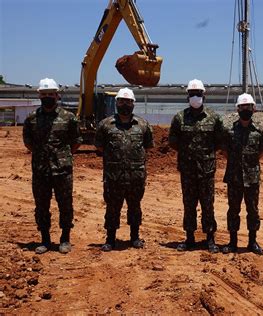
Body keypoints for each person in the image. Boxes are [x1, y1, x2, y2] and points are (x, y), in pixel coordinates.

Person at [23, 78, 82, 254]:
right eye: (44, 94)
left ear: (57, 95)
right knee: (41, 205)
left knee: (65, 204)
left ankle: (65, 238)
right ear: (39, 95)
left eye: (51, 94)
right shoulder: (32, 118)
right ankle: (45, 240)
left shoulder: (68, 117)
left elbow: (76, 141)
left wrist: (62, 156)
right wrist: (42, 155)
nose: (47, 97)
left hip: (63, 171)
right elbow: (28, 142)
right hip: (41, 170)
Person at [95, 87, 154, 251]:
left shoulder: (142, 125)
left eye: (128, 102)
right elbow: (99, 147)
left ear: (133, 104)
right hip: (113, 177)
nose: (125, 104)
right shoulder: (105, 125)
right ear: (116, 103)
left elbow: (148, 147)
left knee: (135, 207)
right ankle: (110, 239)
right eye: (121, 101)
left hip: (136, 177)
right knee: (112, 208)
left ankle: (134, 237)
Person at [168, 79, 224, 253]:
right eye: (192, 94)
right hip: (187, 170)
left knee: (208, 204)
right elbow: (173, 142)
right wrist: (189, 155)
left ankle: (210, 238)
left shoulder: (214, 118)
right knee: (189, 204)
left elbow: (219, 142)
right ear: (187, 96)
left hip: (206, 170)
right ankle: (189, 238)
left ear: (203, 96)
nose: (195, 97)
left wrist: (204, 156)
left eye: (198, 94)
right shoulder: (179, 118)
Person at [221, 93, 263, 255]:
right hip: (234, 177)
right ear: (238, 109)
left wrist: (249, 164)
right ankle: (232, 242)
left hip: (252, 178)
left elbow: (261, 151)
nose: (245, 110)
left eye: (248, 107)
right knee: (233, 210)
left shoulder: (259, 131)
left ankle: (252, 242)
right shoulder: (229, 130)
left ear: (253, 109)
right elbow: (225, 151)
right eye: (242, 107)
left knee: (253, 210)